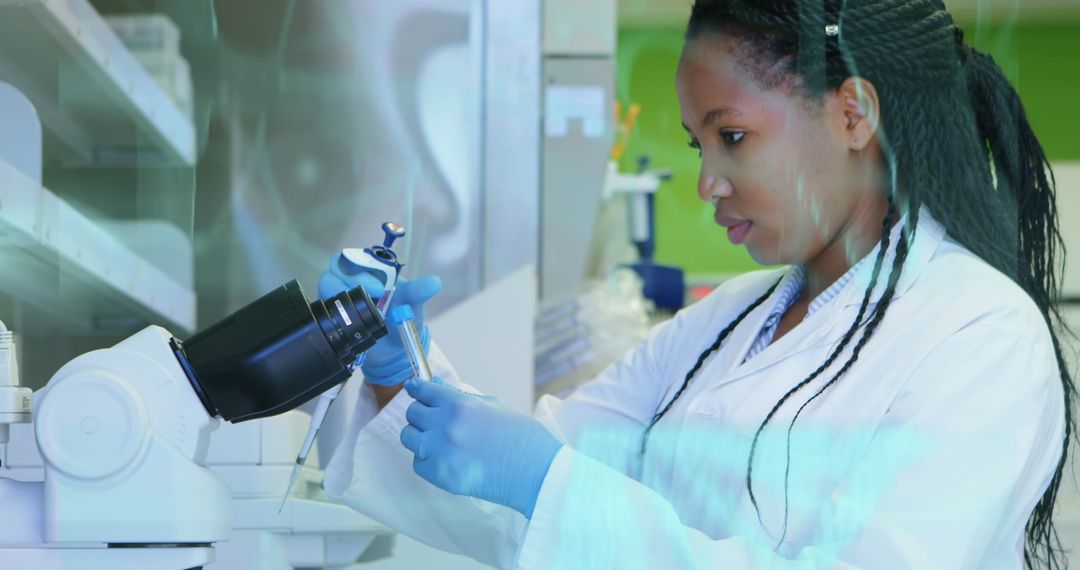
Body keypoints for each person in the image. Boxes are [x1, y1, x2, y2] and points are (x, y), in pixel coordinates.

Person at [320, 0, 1076, 567]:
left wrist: (549, 482)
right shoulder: (722, 324)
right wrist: (398, 379)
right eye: (698, 145)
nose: (707, 182)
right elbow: (521, 508)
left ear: (853, 114)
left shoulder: (979, 333)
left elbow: (554, 489)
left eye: (732, 136)